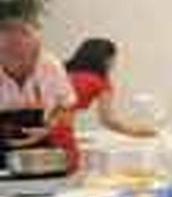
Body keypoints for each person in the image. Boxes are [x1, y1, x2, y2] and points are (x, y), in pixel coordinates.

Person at [51, 38, 157, 170]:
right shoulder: (100, 81)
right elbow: (108, 120)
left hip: (40, 129)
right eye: (114, 60)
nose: (114, 64)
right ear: (107, 59)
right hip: (60, 134)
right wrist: (136, 132)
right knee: (68, 175)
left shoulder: (62, 71)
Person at [0, 20, 75, 149]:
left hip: (41, 142)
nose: (22, 61)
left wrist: (50, 128)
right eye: (11, 53)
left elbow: (66, 107)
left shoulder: (50, 66)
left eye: (29, 54)